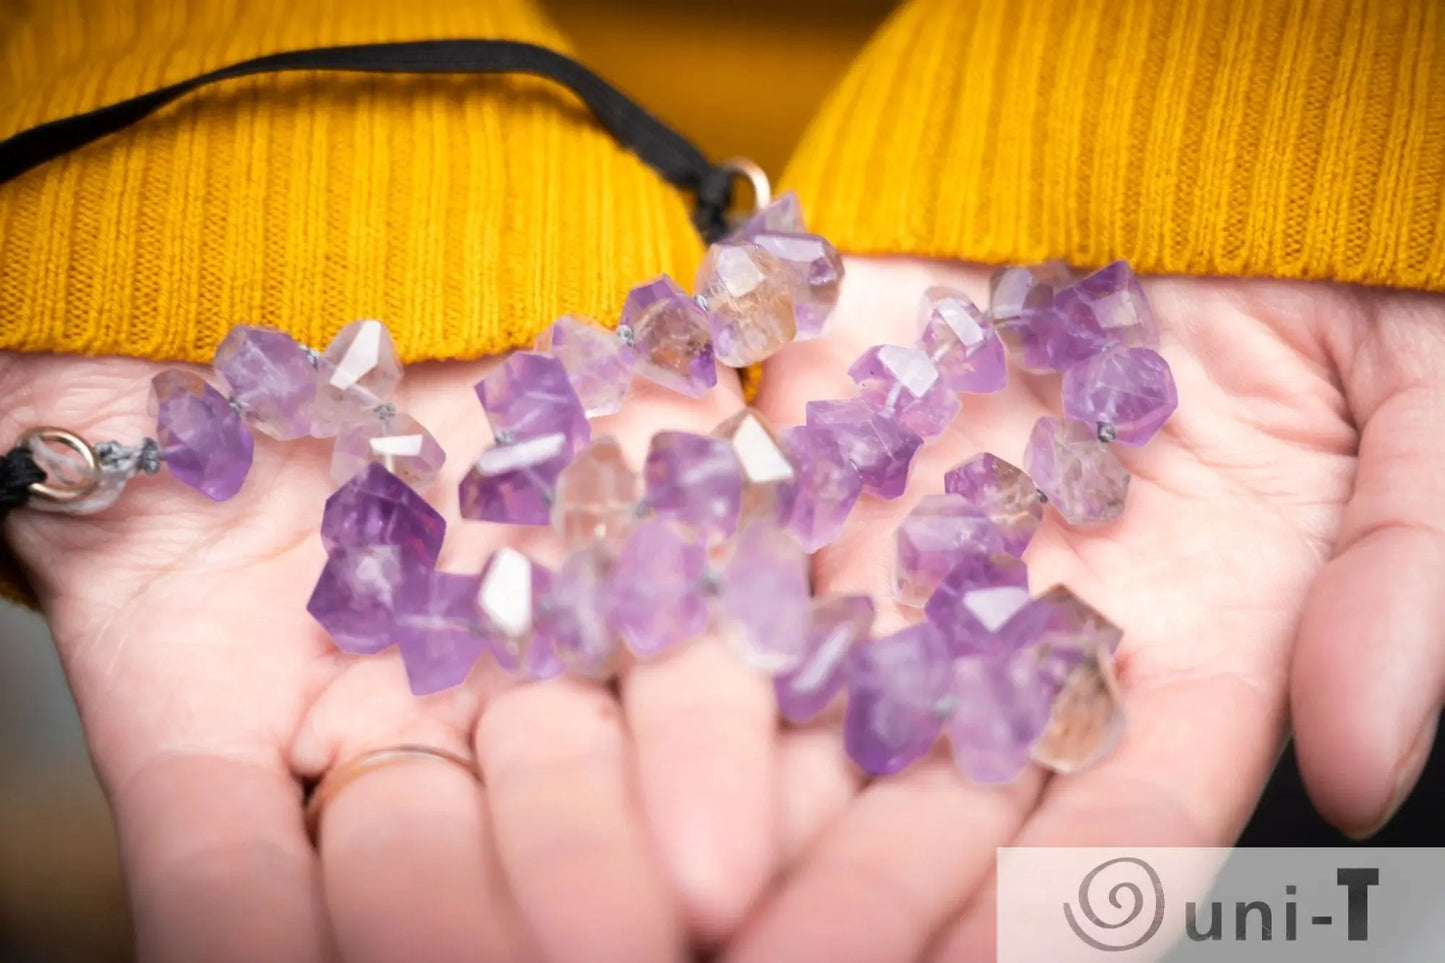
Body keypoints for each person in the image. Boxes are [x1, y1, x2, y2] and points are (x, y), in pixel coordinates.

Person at [1, 0, 1440, 960]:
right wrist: (167, 189)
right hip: (510, 185)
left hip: (1044, 183)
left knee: (1336, 913)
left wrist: (1281, 102)